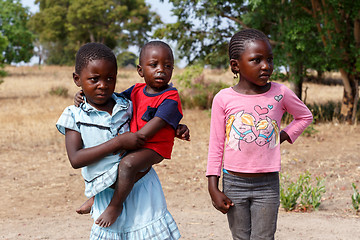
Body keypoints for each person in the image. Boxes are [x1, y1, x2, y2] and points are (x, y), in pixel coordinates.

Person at [57, 42, 187, 239]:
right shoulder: (77, 115)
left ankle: (114, 205)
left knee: (128, 165)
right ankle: (97, 199)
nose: (103, 85)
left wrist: (174, 127)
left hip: (142, 185)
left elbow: (154, 123)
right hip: (105, 187)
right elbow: (75, 159)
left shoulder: (125, 105)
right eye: (94, 79)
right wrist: (119, 142)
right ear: (78, 79)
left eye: (110, 79)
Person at [206, 29, 313, 240]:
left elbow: (305, 116)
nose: (266, 66)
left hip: (267, 185)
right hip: (234, 183)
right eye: (256, 60)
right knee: (240, 237)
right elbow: (216, 145)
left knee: (264, 238)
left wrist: (281, 135)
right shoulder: (223, 98)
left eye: (270, 60)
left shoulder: (280, 93)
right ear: (235, 65)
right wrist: (212, 187)